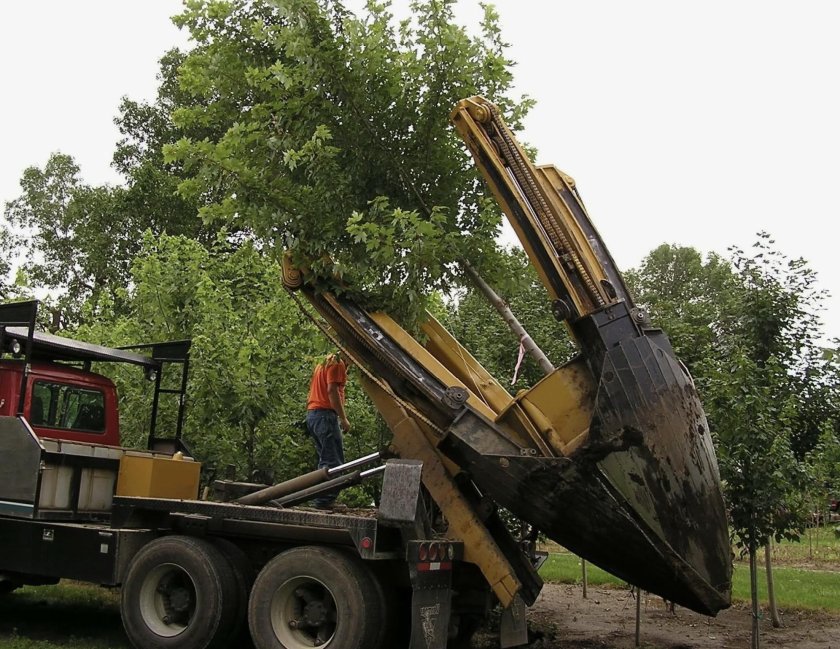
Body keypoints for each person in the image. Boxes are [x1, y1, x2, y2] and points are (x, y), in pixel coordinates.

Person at [305, 352, 351, 509]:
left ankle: (321, 498)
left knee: (324, 461)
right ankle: (325, 501)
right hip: (325, 415)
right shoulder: (338, 363)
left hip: (313, 414)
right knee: (333, 462)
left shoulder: (324, 361)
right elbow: (332, 391)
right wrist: (343, 418)